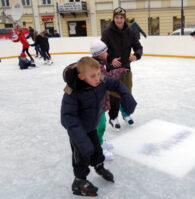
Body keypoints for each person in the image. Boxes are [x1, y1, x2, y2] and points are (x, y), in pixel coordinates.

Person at [61, 57, 137, 197]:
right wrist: (81, 140)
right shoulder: (72, 92)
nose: (98, 78)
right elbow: (67, 118)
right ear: (81, 76)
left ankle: (99, 166)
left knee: (96, 149)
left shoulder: (100, 81)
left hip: (91, 126)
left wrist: (127, 96)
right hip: (78, 131)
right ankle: (79, 182)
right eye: (93, 76)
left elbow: (116, 84)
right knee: (81, 156)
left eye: (98, 74)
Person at [101, 7, 143, 130]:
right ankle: (113, 117)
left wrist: (137, 55)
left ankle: (126, 114)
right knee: (114, 96)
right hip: (112, 70)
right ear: (113, 18)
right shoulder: (107, 33)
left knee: (126, 93)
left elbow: (138, 46)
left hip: (126, 69)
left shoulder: (130, 32)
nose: (119, 20)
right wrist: (110, 60)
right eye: (117, 18)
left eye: (121, 18)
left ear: (124, 19)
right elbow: (102, 50)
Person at [90, 39, 128, 160]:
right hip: (96, 103)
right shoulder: (96, 66)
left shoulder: (100, 63)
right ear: (99, 53)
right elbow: (106, 79)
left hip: (100, 100)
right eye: (105, 51)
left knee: (101, 125)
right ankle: (97, 148)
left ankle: (100, 141)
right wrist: (120, 71)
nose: (107, 53)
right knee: (100, 126)